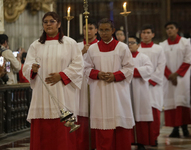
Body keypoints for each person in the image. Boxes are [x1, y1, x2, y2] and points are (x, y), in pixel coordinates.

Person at [22, 12, 83, 150]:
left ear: (59, 24)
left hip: (63, 91)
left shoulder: (70, 43)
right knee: (43, 133)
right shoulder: (35, 45)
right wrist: (33, 69)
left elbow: (79, 65)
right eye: (45, 22)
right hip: (42, 93)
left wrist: (62, 75)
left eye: (52, 21)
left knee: (62, 135)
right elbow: (26, 67)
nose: (48, 24)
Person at [84, 18, 135, 150]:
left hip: (118, 92)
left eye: (107, 30)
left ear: (113, 30)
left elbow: (129, 68)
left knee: (120, 127)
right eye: (102, 30)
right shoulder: (92, 49)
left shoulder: (122, 47)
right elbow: (85, 68)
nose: (104, 33)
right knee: (103, 128)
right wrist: (98, 74)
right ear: (98, 31)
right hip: (99, 91)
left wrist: (115, 76)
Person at [159, 21, 191, 138]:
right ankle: (175, 129)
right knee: (171, 103)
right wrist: (169, 76)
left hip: (182, 78)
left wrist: (176, 74)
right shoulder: (162, 45)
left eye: (171, 28)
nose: (169, 30)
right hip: (168, 79)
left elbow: (188, 60)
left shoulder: (186, 42)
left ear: (177, 29)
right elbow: (162, 62)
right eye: (167, 28)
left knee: (182, 102)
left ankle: (184, 128)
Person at [138, 24, 166, 146]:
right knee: (140, 112)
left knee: (154, 112)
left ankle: (154, 137)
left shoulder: (158, 49)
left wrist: (151, 80)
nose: (146, 35)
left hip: (153, 86)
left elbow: (161, 66)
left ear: (153, 34)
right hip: (139, 85)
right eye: (143, 32)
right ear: (140, 35)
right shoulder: (137, 49)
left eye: (148, 32)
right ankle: (141, 139)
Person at [128, 36, 153, 150]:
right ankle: (130, 140)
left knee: (141, 113)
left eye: (132, 43)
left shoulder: (143, 57)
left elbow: (148, 69)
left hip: (140, 89)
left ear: (138, 45)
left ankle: (141, 141)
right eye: (128, 43)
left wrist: (131, 71)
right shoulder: (123, 57)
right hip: (126, 89)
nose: (130, 45)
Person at [76, 18, 98, 150]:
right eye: (85, 28)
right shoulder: (76, 46)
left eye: (90, 28)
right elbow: (69, 62)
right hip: (79, 85)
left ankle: (95, 144)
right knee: (81, 113)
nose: (87, 31)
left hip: (95, 83)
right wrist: (81, 52)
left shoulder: (100, 46)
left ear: (96, 30)